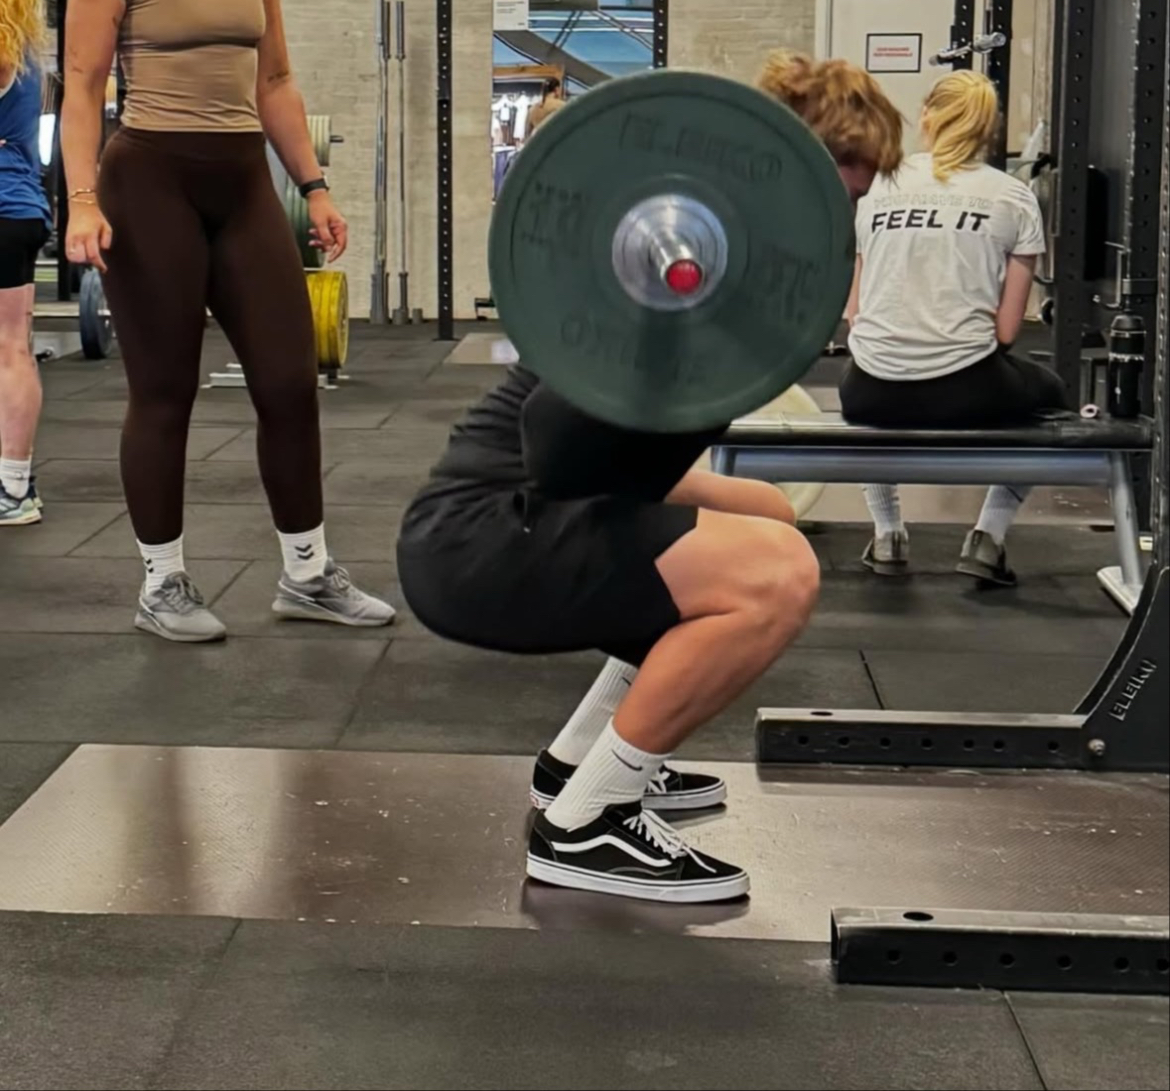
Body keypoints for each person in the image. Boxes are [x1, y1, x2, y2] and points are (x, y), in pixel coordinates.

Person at [396, 52, 904, 904]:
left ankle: (576, 766)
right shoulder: (674, 285)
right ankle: (589, 822)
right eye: (838, 199)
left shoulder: (712, 283)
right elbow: (553, 441)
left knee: (769, 517)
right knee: (776, 575)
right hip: (481, 540)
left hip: (495, 520)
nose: (839, 224)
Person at [60, 0, 393, 642]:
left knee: (289, 382)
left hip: (244, 181)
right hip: (150, 179)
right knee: (164, 391)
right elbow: (84, 86)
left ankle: (307, 574)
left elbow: (274, 79)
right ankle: (162, 584)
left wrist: (313, 185)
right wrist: (83, 200)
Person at [841, 69, 1068, 586]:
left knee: (870, 372)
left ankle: (888, 534)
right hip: (968, 390)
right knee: (1052, 393)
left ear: (926, 116)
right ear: (989, 129)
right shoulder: (1014, 197)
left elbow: (855, 315)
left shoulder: (879, 186)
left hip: (868, 392)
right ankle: (988, 537)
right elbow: (1006, 333)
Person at [0, 0, 53, 526]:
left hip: (3, 208)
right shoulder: (26, 41)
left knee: (9, 348)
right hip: (17, 207)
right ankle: (14, 483)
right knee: (10, 347)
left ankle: (14, 490)